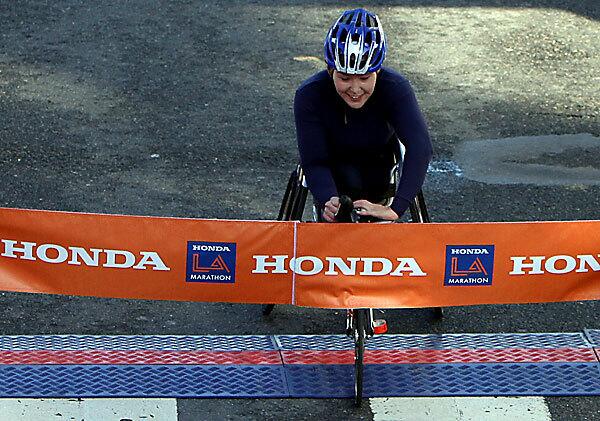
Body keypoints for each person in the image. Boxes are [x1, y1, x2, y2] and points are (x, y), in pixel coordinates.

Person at [294, 8, 433, 223]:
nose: (355, 88)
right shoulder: (309, 95)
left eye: (365, 78)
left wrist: (396, 209)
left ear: (377, 72)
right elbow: (314, 161)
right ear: (331, 71)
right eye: (345, 78)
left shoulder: (396, 88)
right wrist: (328, 200)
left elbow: (420, 147)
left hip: (379, 164)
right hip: (333, 167)